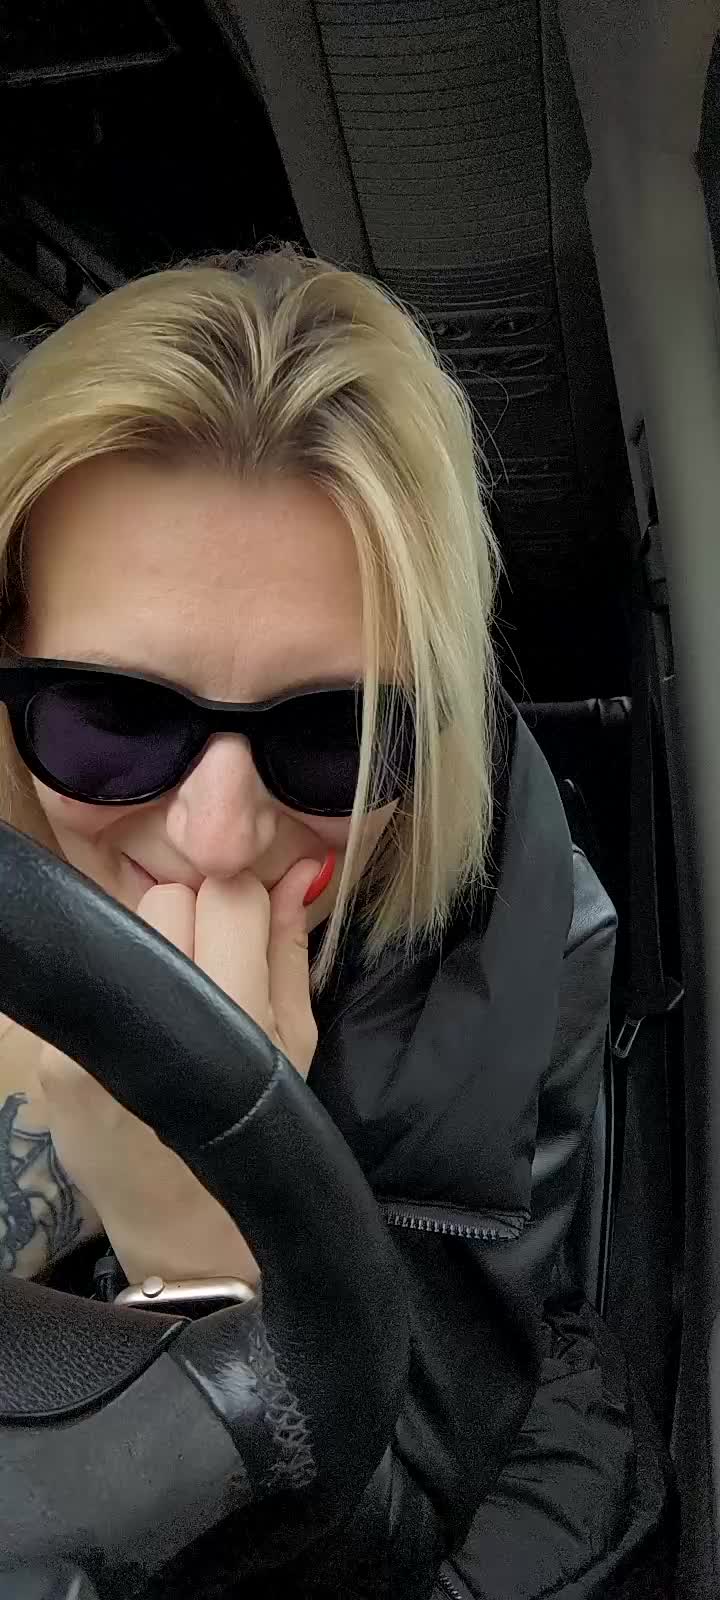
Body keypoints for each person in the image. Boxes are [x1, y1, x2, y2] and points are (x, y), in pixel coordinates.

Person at [0, 246, 674, 1599]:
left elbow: (414, 1483)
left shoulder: (492, 945)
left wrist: (211, 1272)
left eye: (332, 736)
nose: (218, 834)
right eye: (112, 715)